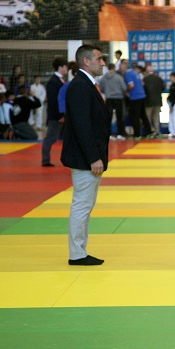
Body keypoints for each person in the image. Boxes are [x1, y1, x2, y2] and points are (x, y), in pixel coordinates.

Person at [60, 45, 109, 266]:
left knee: (85, 205)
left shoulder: (86, 84)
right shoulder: (80, 86)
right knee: (81, 204)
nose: (103, 63)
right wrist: (93, 157)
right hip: (84, 158)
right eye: (99, 59)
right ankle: (77, 253)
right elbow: (82, 126)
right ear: (87, 61)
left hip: (88, 156)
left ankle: (80, 250)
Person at [42, 58, 68, 166]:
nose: (67, 68)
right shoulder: (53, 82)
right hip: (55, 116)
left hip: (62, 114)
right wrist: (59, 116)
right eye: (65, 66)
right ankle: (45, 160)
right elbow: (53, 101)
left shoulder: (61, 80)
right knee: (51, 137)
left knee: (65, 137)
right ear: (60, 67)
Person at [99, 63, 127, 139]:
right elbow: (124, 88)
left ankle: (109, 134)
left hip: (109, 98)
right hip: (118, 98)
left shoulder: (103, 78)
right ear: (114, 68)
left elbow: (100, 88)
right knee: (120, 117)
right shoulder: (119, 77)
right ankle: (120, 134)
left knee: (108, 117)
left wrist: (107, 91)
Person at [143, 65, 165, 138]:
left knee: (148, 118)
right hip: (158, 101)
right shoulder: (159, 79)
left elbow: (143, 90)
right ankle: (157, 131)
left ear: (146, 72)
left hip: (148, 101)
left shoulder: (145, 79)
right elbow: (163, 88)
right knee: (156, 118)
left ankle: (150, 132)